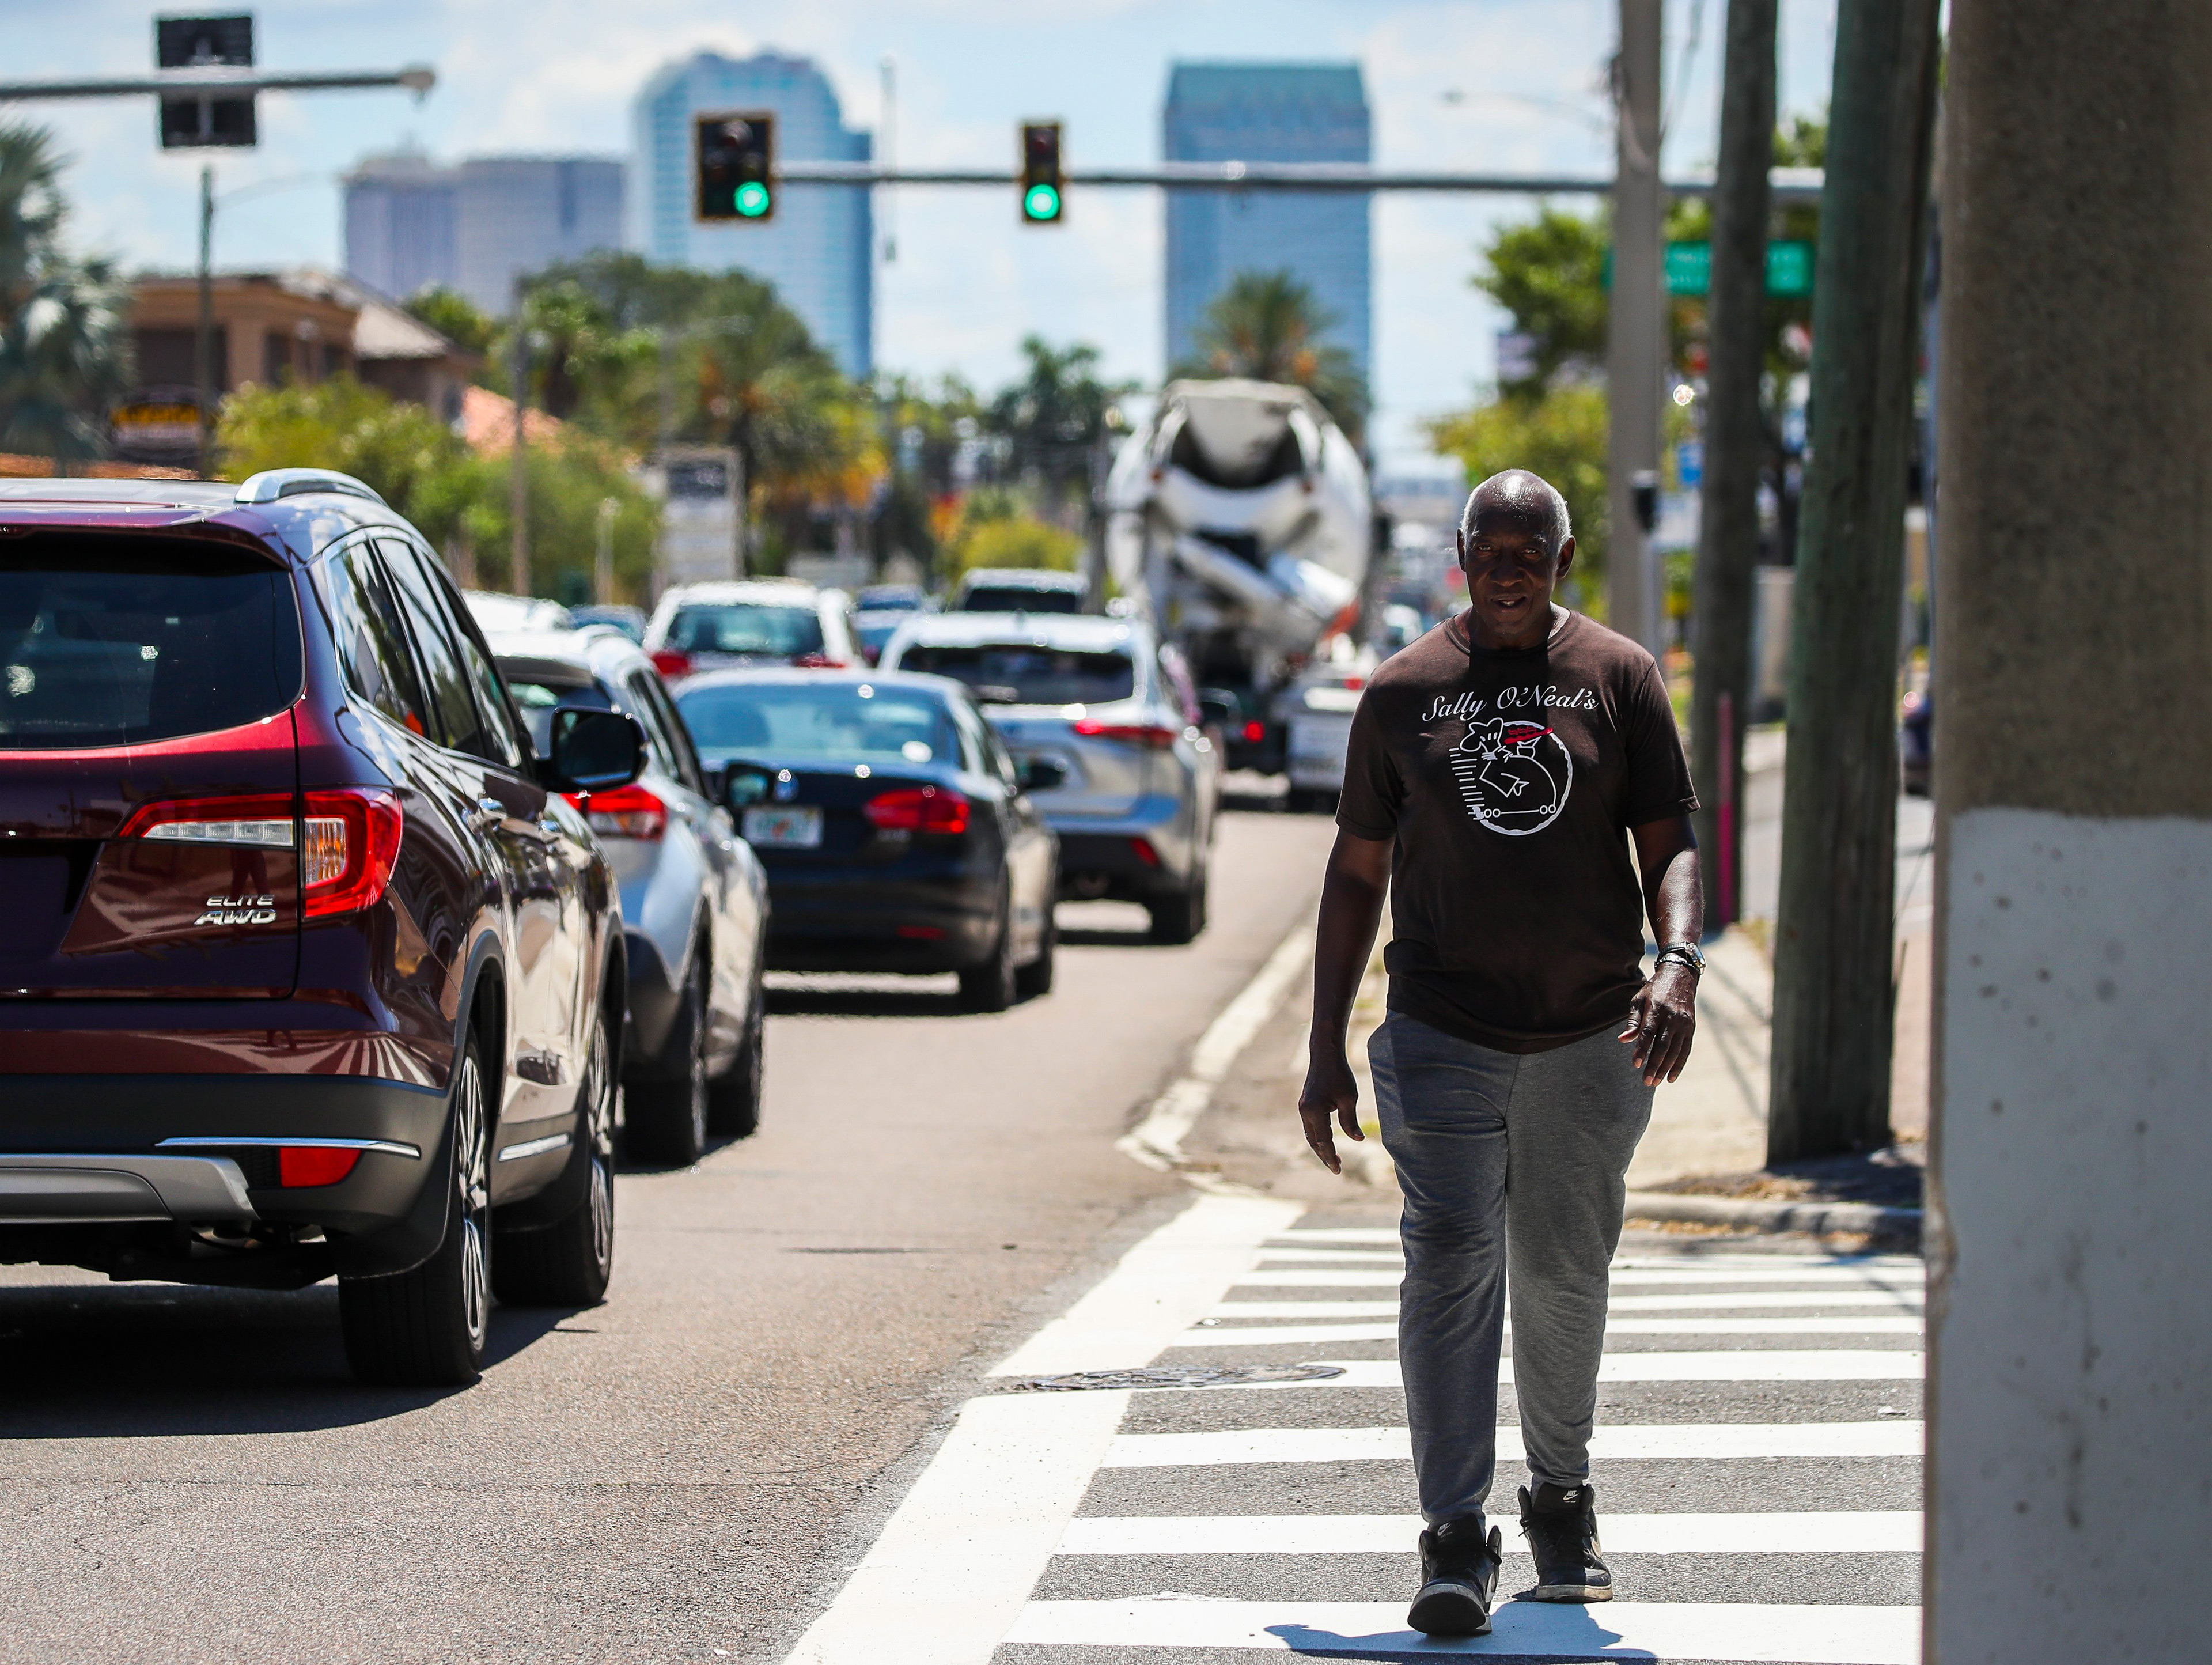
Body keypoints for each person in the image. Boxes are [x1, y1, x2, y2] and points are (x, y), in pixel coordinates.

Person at [1298, 468, 1704, 1637]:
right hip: (1439, 1028)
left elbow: (1670, 838)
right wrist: (1325, 1045)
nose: (1511, 567)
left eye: (1532, 550)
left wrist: (1678, 962)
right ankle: (1452, 1534)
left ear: (1563, 561)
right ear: (1461, 562)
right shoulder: (1403, 692)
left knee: (1566, 1269)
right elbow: (1354, 874)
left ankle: (1560, 1498)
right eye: (1492, 549)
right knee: (1452, 1259)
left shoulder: (1620, 677)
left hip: (1590, 1031)